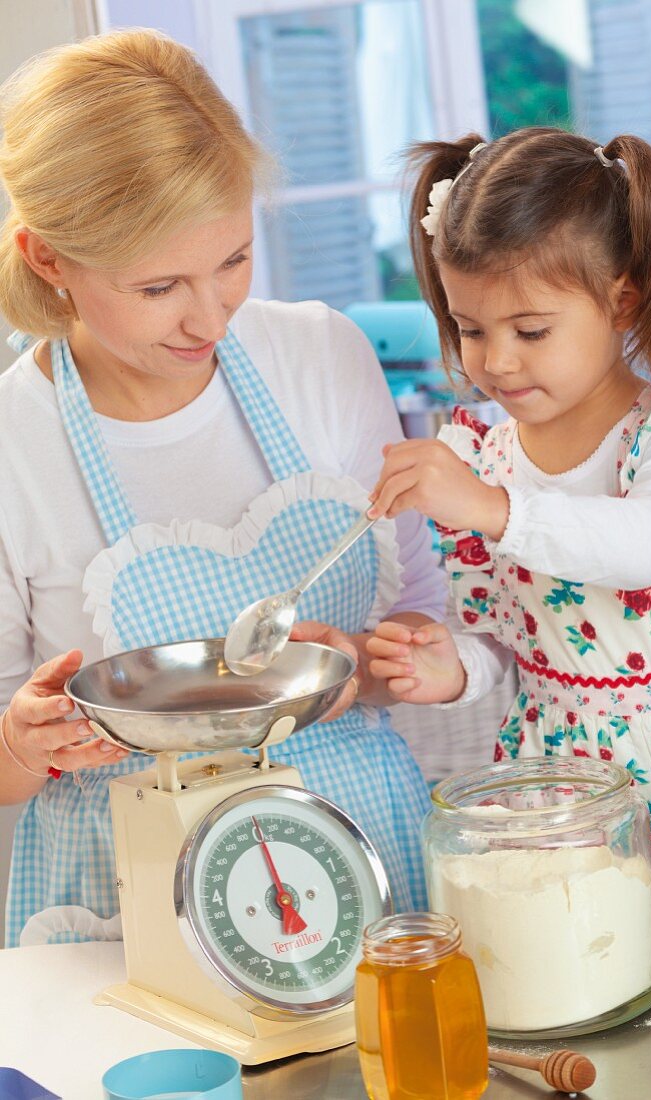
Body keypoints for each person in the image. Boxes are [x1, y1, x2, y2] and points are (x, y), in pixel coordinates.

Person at [0, 29, 447, 947]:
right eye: (160, 285)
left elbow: (424, 625)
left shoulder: (322, 354)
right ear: (47, 257)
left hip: (360, 851)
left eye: (234, 260)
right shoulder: (12, 440)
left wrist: (366, 661)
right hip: (128, 895)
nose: (210, 315)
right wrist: (21, 744)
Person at [366, 127, 651, 896]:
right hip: (570, 801)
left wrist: (492, 508)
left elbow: (650, 544)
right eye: (471, 329)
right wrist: (453, 666)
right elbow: (506, 633)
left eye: (530, 330)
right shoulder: (480, 457)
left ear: (621, 299)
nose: (496, 360)